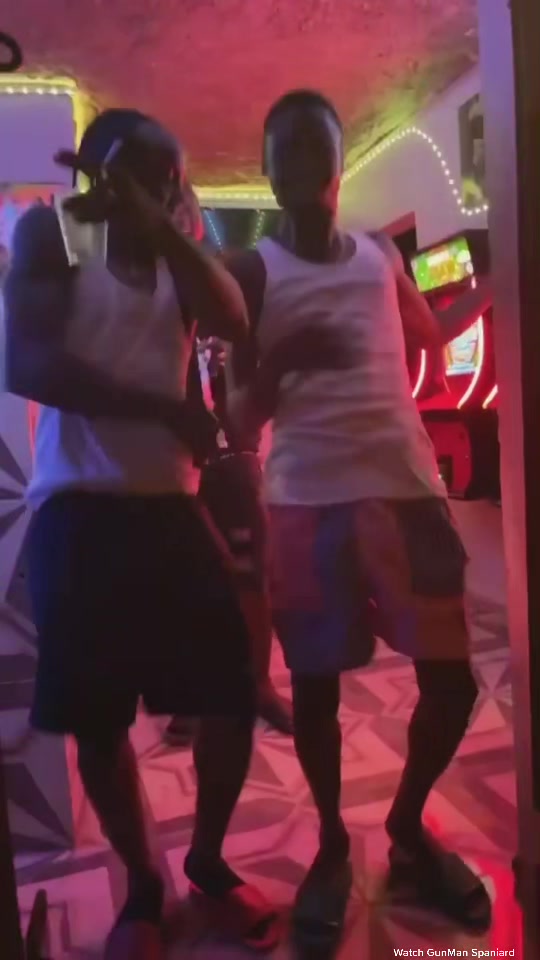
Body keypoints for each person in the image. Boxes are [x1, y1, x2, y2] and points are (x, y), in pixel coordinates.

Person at [3, 109, 279, 957]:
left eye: (173, 176)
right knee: (97, 722)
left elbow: (231, 318)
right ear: (98, 171)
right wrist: (163, 407)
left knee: (232, 691)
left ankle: (206, 861)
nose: (164, 187)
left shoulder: (171, 253)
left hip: (168, 503)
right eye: (144, 171)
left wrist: (163, 228)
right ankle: (145, 887)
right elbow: (27, 364)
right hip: (76, 506)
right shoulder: (56, 232)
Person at [224, 90, 494, 947]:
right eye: (288, 149)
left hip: (408, 492)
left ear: (339, 164)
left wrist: (494, 286)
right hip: (306, 503)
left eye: (317, 145)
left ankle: (408, 827)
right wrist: (282, 365)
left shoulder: (380, 253)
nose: (305, 161)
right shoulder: (251, 273)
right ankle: (333, 847)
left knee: (453, 682)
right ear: (268, 170)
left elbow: (425, 334)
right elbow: (238, 421)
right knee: (316, 689)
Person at [163, 192, 292, 748]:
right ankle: (192, 697)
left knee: (250, 572)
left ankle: (259, 684)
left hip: (230, 450)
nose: (175, 215)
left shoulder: (225, 283)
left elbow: (253, 347)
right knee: (186, 582)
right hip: (171, 457)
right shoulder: (150, 285)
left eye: (182, 206)